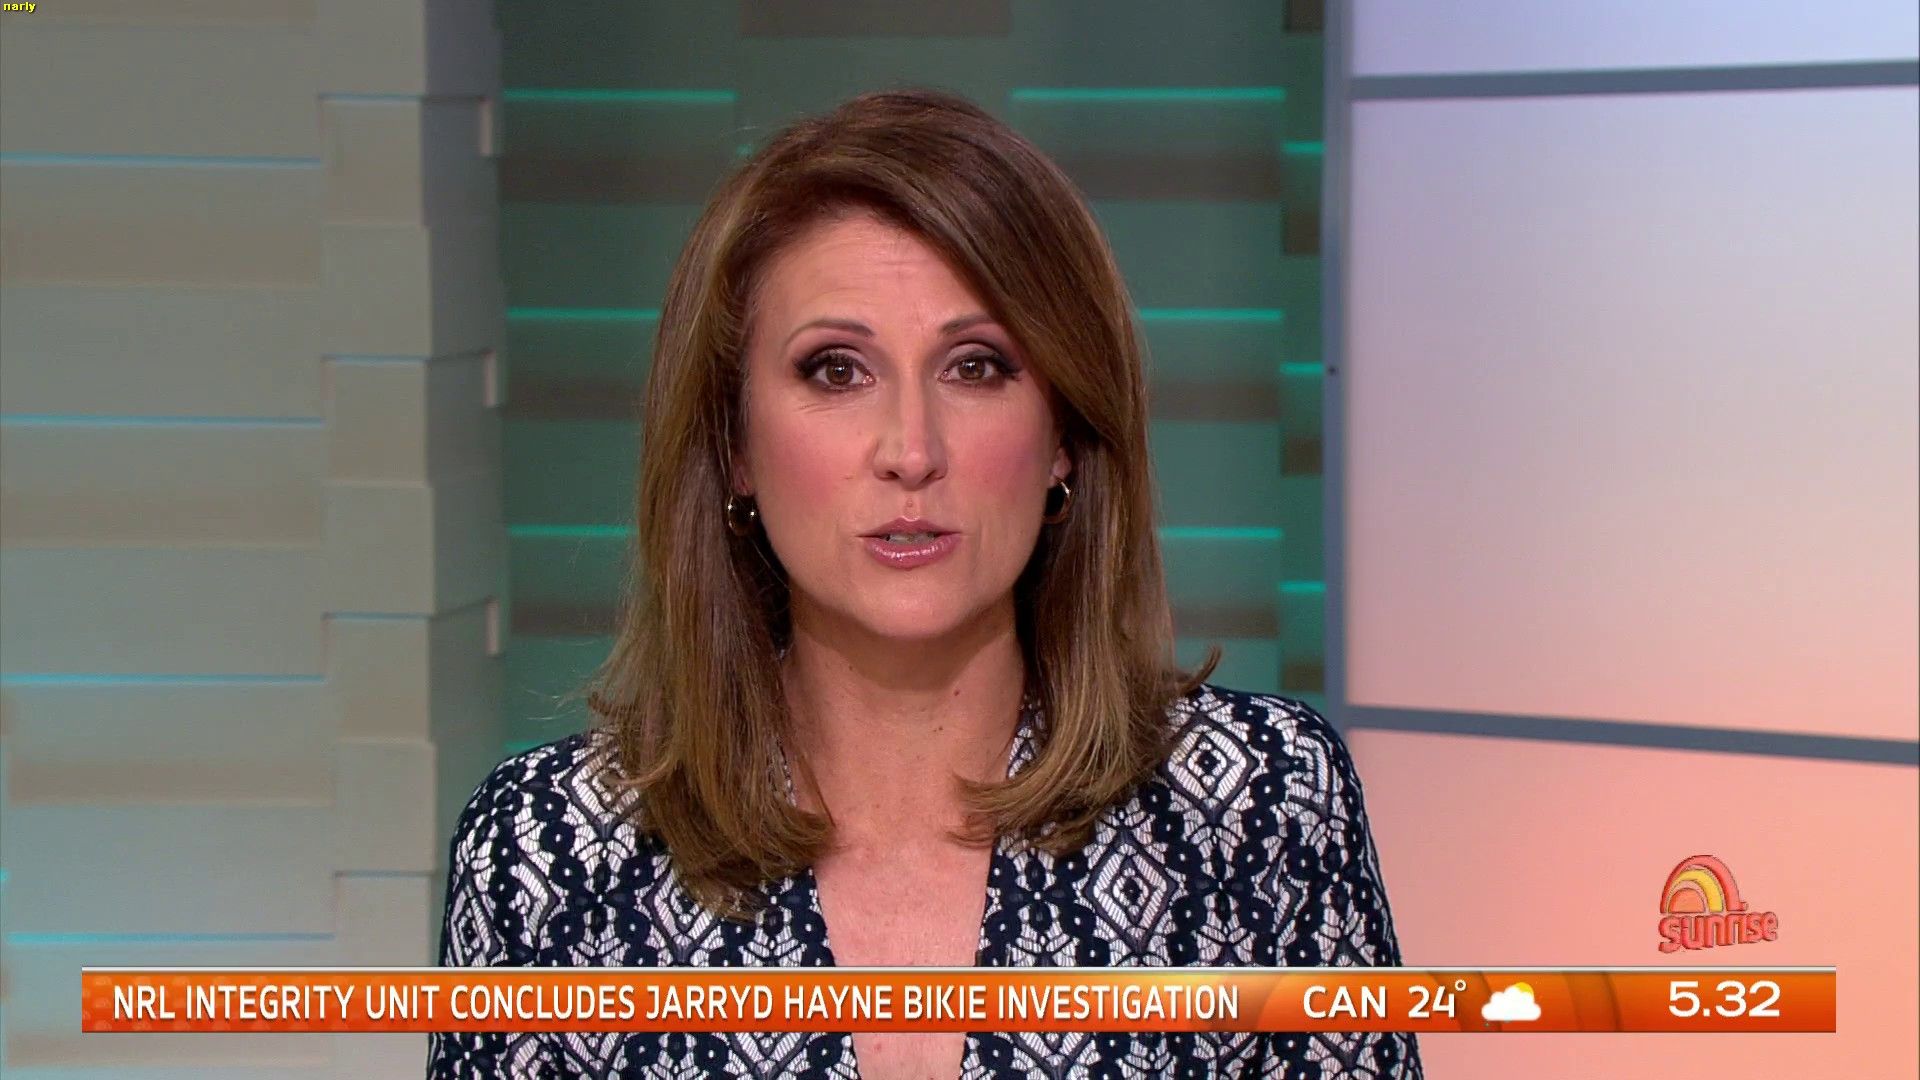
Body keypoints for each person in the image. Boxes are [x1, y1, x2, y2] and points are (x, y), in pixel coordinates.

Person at [428, 88, 1421, 1079]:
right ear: (734, 445)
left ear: (1064, 434)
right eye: (835, 371)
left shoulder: (1260, 808)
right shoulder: (549, 853)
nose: (911, 450)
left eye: (977, 367)